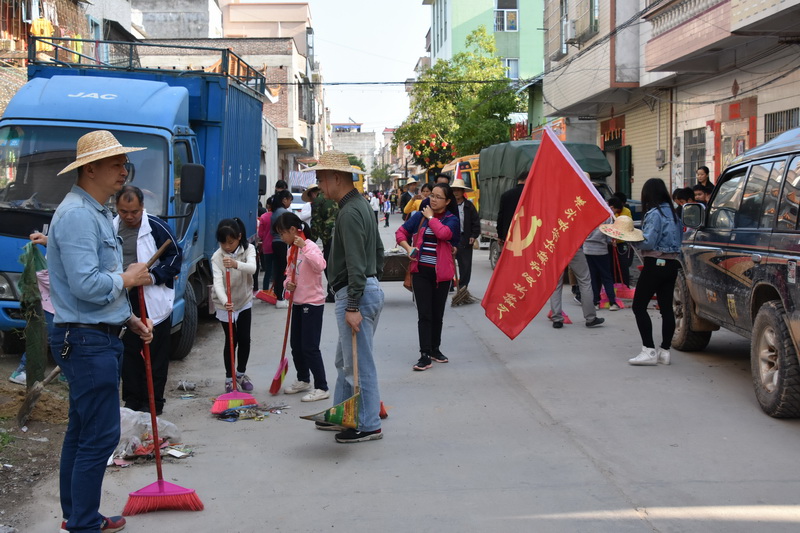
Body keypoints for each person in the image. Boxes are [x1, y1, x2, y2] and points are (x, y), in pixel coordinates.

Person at [49, 130, 154, 533]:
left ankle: (79, 516)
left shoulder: (92, 211)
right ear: (89, 169)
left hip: (95, 333)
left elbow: (97, 287)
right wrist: (127, 279)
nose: (123, 170)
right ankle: (82, 523)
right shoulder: (77, 215)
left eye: (124, 162)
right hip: (87, 341)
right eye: (115, 163)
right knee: (98, 436)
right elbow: (86, 285)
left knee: (83, 431)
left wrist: (128, 319)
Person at [306, 150, 385, 443]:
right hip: (366, 290)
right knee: (345, 360)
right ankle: (341, 414)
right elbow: (376, 252)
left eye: (321, 178)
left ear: (337, 178)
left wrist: (353, 304)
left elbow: (355, 264)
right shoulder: (358, 205)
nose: (319, 185)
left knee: (359, 364)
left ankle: (368, 423)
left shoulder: (350, 212)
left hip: (357, 295)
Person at [113, 185, 182, 416]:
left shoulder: (157, 227)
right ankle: (132, 401)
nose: (130, 217)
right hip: (124, 297)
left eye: (134, 211)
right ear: (117, 208)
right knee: (130, 353)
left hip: (152, 300)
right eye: (124, 211)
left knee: (155, 355)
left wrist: (152, 277)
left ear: (142, 207)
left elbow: (175, 259)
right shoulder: (109, 228)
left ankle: (153, 403)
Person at [396, 183, 460, 371]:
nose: (433, 199)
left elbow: (444, 234)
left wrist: (431, 218)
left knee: (437, 313)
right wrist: (409, 248)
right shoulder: (419, 217)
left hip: (442, 274)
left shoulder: (451, 219)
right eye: (432, 195)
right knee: (424, 314)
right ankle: (424, 354)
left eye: (438, 197)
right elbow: (401, 232)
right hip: (421, 272)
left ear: (447, 201)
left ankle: (435, 349)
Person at [275, 212, 330, 402]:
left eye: (282, 233)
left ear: (292, 230)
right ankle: (303, 379)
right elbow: (289, 274)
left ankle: (322, 386)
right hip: (296, 302)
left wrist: (304, 246)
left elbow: (320, 265)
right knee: (296, 346)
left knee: (310, 346)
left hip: (312, 303)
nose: (281, 238)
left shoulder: (310, 246)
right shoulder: (291, 250)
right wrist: (286, 285)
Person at [628, 178, 683, 366]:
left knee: (639, 306)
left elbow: (649, 241)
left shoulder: (654, 213)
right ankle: (665, 351)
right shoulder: (675, 214)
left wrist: (631, 238)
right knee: (666, 308)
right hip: (672, 264)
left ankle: (648, 350)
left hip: (655, 264)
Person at [211, 218, 257, 392]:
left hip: (244, 299)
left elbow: (252, 268)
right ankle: (229, 379)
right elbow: (217, 283)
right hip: (225, 304)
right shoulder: (217, 257)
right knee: (231, 340)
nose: (227, 247)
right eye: (223, 243)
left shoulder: (249, 249)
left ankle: (240, 374)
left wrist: (236, 264)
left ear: (239, 237)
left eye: (231, 242)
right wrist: (225, 301)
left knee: (245, 338)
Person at [9, 231, 54, 386]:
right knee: (43, 338)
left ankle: (66, 374)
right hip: (49, 304)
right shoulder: (49, 262)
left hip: (56, 303)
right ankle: (22, 370)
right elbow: (44, 275)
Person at [549, 250, 605, 329]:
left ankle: (556, 319)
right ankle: (590, 318)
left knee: (556, 285)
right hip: (574, 247)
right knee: (585, 281)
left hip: (555, 250)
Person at [306, 183, 338, 302]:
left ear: (313, 193)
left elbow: (316, 223)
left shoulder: (318, 201)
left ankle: (332, 292)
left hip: (329, 235)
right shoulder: (332, 195)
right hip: (341, 232)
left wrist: (310, 242)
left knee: (328, 265)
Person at [451, 178, 480, 293]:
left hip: (465, 238)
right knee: (449, 263)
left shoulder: (469, 206)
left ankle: (463, 286)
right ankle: (449, 285)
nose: (456, 192)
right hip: (452, 238)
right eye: (454, 190)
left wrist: (474, 235)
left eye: (458, 190)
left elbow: (475, 222)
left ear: (463, 191)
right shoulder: (449, 206)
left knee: (465, 264)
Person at [271, 189, 292, 309]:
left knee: (278, 270)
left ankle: (278, 296)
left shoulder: (275, 212)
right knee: (283, 271)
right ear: (284, 200)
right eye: (289, 200)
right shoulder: (283, 213)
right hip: (281, 243)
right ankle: (281, 298)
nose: (290, 203)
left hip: (275, 243)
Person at [607, 197, 633, 288]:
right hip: (610, 242)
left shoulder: (626, 211)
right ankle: (614, 285)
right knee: (611, 264)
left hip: (621, 242)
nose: (616, 212)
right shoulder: (607, 211)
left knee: (623, 264)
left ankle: (625, 285)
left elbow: (628, 225)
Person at [497, 170, 527, 247]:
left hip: (509, 235)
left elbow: (501, 217)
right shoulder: (532, 196)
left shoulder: (506, 195)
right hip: (527, 234)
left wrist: (500, 236)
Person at [257, 197, 274, 291]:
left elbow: (260, 234)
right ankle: (276, 292)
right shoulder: (278, 216)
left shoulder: (263, 217)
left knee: (267, 271)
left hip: (267, 247)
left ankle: (265, 290)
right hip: (278, 246)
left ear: (267, 205)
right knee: (277, 270)